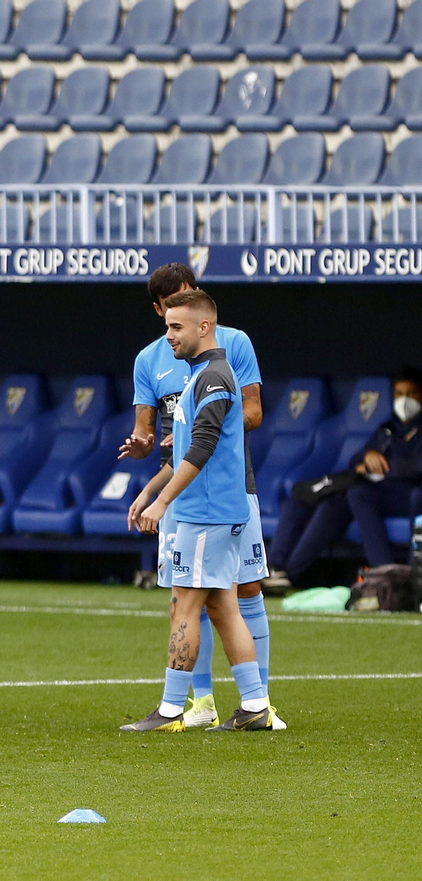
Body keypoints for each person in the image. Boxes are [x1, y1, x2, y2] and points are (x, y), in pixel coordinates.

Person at [121, 263, 279, 729]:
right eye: (167, 324)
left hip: (206, 511)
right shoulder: (200, 375)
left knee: (186, 605)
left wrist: (161, 502)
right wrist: (150, 489)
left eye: (177, 327)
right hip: (211, 509)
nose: (169, 336)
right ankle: (255, 706)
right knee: (222, 607)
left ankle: (171, 708)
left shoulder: (211, 377)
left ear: (203, 326)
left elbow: (203, 447)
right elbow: (188, 446)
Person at [265, 369, 422, 586]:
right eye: (399, 394)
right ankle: (276, 569)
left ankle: (385, 575)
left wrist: (388, 467)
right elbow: (356, 459)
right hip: (371, 492)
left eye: (411, 393)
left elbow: (415, 467)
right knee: (311, 500)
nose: (405, 400)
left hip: (407, 493)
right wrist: (367, 457)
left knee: (358, 493)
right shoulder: (389, 428)